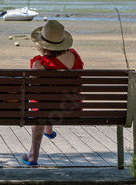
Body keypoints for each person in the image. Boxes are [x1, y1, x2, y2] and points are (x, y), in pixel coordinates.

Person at [22, 19, 84, 166]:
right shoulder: (75, 57)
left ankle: (33, 155)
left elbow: (35, 91)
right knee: (50, 99)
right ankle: (48, 129)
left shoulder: (39, 63)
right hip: (70, 107)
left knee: (40, 104)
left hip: (45, 109)